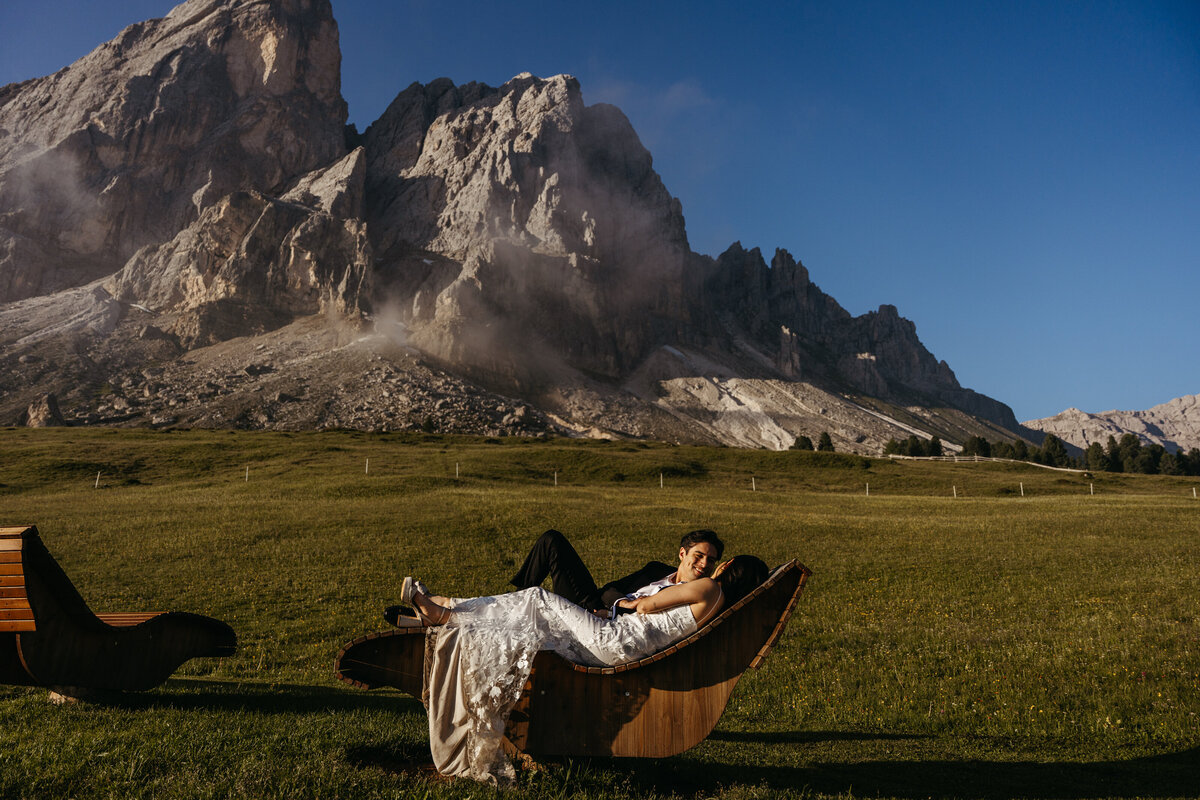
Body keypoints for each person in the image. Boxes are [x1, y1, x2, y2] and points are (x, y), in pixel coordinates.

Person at [405, 554, 769, 784]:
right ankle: (448, 614)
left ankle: (447, 612)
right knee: (537, 617)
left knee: (538, 597)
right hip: (622, 643)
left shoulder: (707, 588)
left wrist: (630, 602)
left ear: (728, 568)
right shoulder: (718, 605)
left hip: (617, 639)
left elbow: (646, 607)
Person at [385, 528, 724, 626]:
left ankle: (440, 613)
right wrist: (611, 605)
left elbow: (646, 612)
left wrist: (618, 612)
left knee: (533, 601)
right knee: (552, 541)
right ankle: (508, 604)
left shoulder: (698, 595)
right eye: (699, 555)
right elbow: (614, 590)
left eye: (710, 561)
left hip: (609, 626)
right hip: (595, 606)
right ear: (682, 554)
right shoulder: (654, 570)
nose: (704, 564)